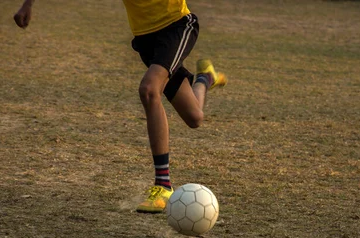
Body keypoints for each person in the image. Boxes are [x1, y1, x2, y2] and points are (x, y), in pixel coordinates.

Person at [14, 0, 227, 213]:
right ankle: (205, 79)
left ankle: (163, 185)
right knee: (194, 117)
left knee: (149, 89)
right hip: (146, 40)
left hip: (177, 26)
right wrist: (28, 4)